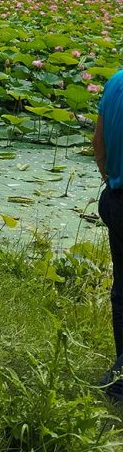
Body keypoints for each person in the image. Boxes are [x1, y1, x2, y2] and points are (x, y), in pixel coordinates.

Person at [94, 69, 123, 397]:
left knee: (122, 290)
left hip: (115, 199)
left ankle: (121, 375)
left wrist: (111, 181)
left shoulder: (116, 81)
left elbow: (98, 143)